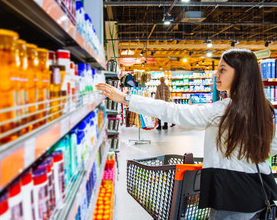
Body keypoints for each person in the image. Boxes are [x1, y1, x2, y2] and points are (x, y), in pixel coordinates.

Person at [96, 49, 277, 219]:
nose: (216, 74)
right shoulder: (264, 108)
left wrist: (126, 98)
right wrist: (243, 156)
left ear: (240, 74)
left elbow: (175, 112)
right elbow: (272, 147)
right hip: (260, 191)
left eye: (223, 70)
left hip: (231, 196)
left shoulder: (224, 111)